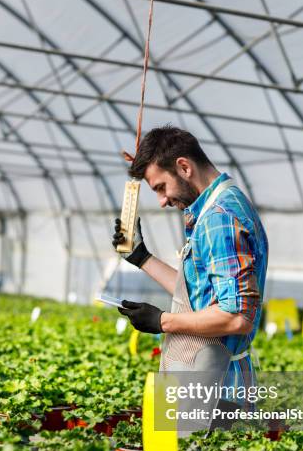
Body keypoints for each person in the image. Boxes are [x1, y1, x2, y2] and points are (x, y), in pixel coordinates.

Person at [113, 125, 268, 422]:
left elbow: (236, 317)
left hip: (216, 389)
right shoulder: (222, 206)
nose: (161, 201)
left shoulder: (219, 219)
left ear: (184, 167)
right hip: (211, 379)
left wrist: (162, 321)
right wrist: (142, 258)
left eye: (160, 187)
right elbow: (200, 294)